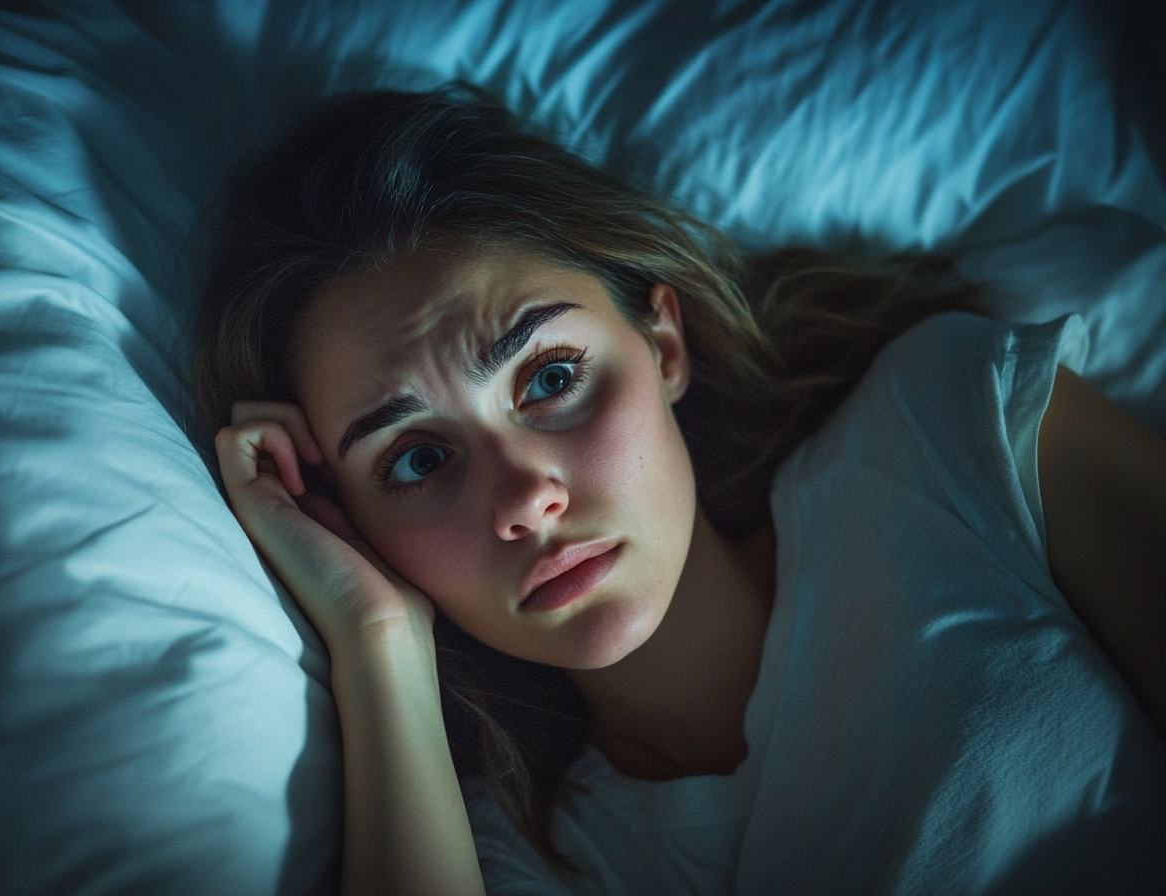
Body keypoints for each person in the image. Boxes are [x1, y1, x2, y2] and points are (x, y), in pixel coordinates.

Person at [194, 84, 1166, 895]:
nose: (524, 497)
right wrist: (377, 638)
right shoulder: (516, 855)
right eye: (415, 460)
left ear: (663, 345)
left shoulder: (956, 422)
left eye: (548, 378)